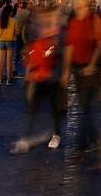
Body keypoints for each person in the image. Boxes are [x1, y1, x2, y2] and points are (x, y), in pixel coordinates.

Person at [11, 8, 63, 153]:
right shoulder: (40, 30)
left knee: (54, 108)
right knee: (33, 108)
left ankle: (56, 135)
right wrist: (29, 71)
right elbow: (34, 49)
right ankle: (26, 138)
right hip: (39, 76)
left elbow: (58, 53)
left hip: (52, 76)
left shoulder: (56, 32)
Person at [63, 0, 101, 153]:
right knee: (84, 106)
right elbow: (69, 46)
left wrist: (92, 65)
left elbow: (100, 44)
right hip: (77, 68)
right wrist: (66, 72)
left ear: (86, 4)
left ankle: (80, 146)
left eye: (79, 1)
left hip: (91, 69)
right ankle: (94, 139)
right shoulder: (73, 22)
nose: (76, 3)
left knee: (85, 105)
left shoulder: (94, 20)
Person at [0, 0, 18, 83]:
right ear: (10, 12)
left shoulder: (0, 21)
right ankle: (9, 79)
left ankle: (0, 80)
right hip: (10, 42)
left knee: (1, 61)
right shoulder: (13, 20)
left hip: (1, 41)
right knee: (9, 62)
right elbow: (17, 31)